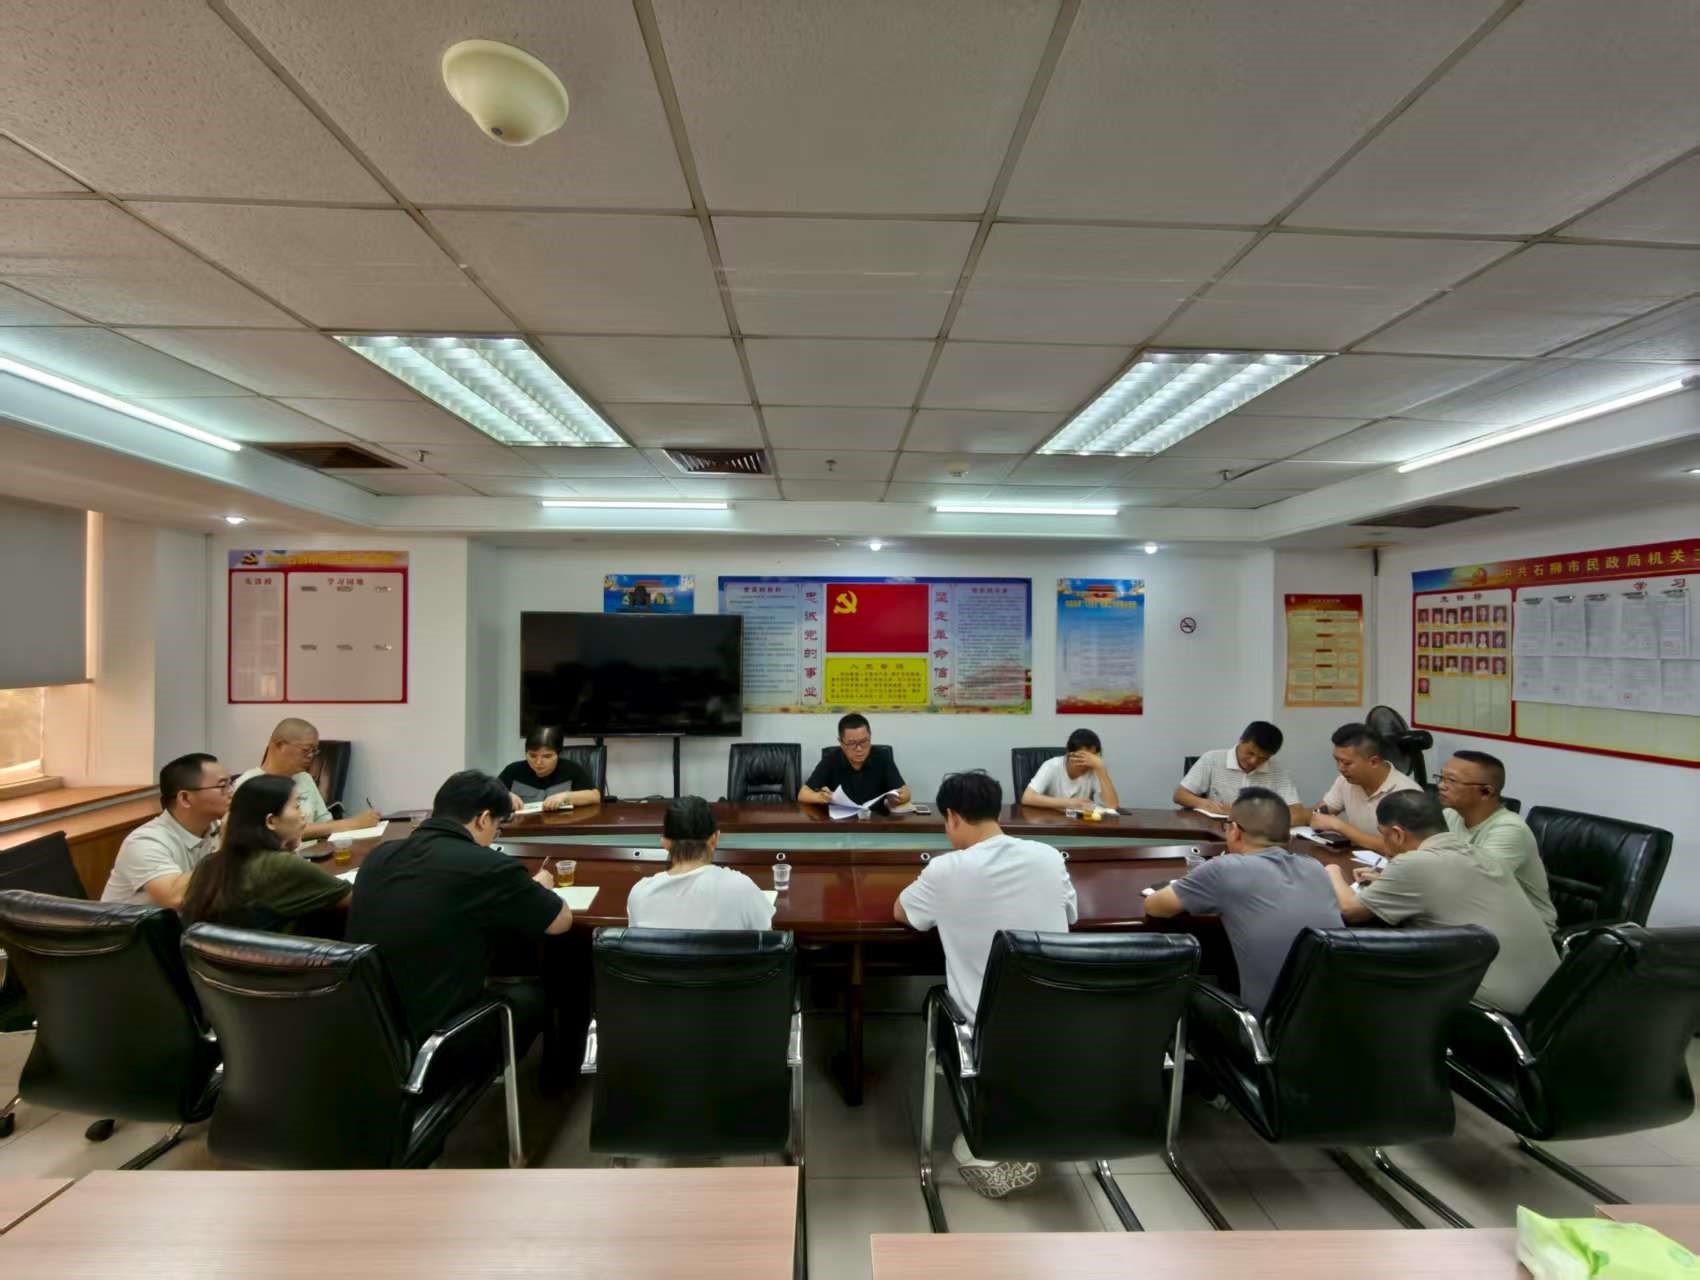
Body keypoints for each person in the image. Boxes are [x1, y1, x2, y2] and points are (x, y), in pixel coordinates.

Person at [895, 770, 1077, 1200]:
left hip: (983, 1032)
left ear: (953, 817)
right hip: (1058, 1017)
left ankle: (983, 1141)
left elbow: (903, 913)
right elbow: (1070, 913)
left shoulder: (946, 869)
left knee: (939, 1003)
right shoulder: (1048, 857)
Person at [349, 770, 572, 1051]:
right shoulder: (488, 865)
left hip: (366, 1029)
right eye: (497, 828)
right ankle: (558, 1075)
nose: (493, 837)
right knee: (538, 995)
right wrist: (539, 886)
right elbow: (560, 921)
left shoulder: (379, 855)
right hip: (436, 1039)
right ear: (483, 819)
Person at [1325, 791, 1558, 1014]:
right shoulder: (1480, 854)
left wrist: (1331, 871)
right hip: (1551, 1000)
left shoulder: (1415, 864)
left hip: (1491, 1008)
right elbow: (1448, 887)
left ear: (1397, 834)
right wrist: (1387, 882)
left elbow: (1350, 910)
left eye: (1383, 835)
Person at [1145, 787, 1342, 1015]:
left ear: (1235, 832)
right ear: (1289, 837)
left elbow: (1155, 906)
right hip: (1340, 1019)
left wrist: (1191, 885)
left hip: (1270, 1026)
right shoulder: (1315, 867)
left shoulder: (1223, 869)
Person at [179, 774, 350, 933]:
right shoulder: (282, 865)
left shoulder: (208, 864)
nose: (303, 815)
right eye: (297, 807)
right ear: (271, 821)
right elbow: (353, 899)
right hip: (279, 956)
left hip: (216, 957)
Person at [1436, 750, 1556, 931]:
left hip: (1524, 929)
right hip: (1473, 916)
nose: (1441, 786)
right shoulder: (1450, 815)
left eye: (1451, 781)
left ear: (1487, 792)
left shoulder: (1509, 829)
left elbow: (1476, 883)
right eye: (1441, 778)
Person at [102, 753, 232, 908]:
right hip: (135, 924)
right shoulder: (144, 842)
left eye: (231, 784)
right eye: (223, 787)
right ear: (185, 798)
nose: (232, 792)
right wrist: (226, 845)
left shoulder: (217, 827)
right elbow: (176, 897)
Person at [626, 796, 775, 930]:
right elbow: (769, 944)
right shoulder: (742, 889)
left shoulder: (639, 895)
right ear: (714, 840)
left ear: (665, 843)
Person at [233, 718, 379, 841]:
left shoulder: (304, 778)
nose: (311, 757)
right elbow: (273, 834)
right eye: (306, 751)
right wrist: (351, 823)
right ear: (280, 745)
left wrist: (354, 827)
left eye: (314, 751)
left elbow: (325, 822)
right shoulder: (249, 784)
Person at [1307, 723, 1421, 853]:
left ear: (1374, 761)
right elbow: (1322, 810)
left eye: (1347, 763)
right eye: (1337, 760)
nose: (1340, 768)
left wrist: (1341, 827)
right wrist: (1305, 815)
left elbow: (1405, 849)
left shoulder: (1407, 794)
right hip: (1356, 858)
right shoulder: (1346, 781)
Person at [1174, 721, 1304, 824]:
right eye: (1250, 753)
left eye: (1263, 758)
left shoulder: (1278, 770)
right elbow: (1180, 795)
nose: (1253, 761)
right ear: (1241, 740)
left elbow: (1297, 813)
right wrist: (1205, 804)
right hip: (1215, 827)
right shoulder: (1212, 759)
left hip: (1257, 831)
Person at [798, 713, 911, 808]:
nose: (859, 749)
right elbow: (803, 794)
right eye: (852, 743)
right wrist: (820, 797)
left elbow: (905, 791)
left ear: (870, 737)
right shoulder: (831, 759)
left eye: (864, 741)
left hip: (875, 820)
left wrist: (900, 797)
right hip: (840, 821)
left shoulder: (882, 757)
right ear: (841, 742)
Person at [499, 725, 601, 812]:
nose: (538, 762)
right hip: (523, 825)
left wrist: (566, 797)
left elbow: (595, 796)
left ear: (558, 754)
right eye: (533, 756)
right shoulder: (513, 770)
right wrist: (506, 795)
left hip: (560, 825)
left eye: (547, 756)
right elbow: (491, 792)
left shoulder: (572, 769)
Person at [1019, 728, 1121, 811]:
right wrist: (1070, 803)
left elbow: (1112, 805)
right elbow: (1027, 798)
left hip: (1081, 824)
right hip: (1050, 821)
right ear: (1069, 752)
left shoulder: (1094, 769)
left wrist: (1101, 768)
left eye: (1092, 758)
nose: (1087, 762)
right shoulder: (1052, 766)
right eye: (1082, 757)